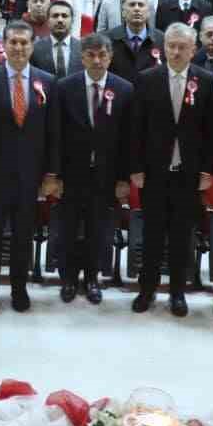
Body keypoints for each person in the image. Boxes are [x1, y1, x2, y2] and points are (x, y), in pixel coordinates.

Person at [0, 20, 61, 314]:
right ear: (3, 46)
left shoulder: (47, 81)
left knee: (23, 235)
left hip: (31, 175)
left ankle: (19, 289)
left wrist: (51, 174)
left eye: (24, 43)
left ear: (32, 46)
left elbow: (53, 133)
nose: (18, 48)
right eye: (13, 42)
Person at [54, 33, 132, 307]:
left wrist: (123, 178)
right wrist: (55, 174)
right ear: (82, 57)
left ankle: (92, 278)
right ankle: (69, 279)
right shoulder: (64, 87)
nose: (97, 60)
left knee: (98, 229)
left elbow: (128, 140)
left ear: (110, 57)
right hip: (71, 173)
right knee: (68, 227)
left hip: (106, 175)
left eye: (103, 55)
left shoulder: (124, 90)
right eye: (91, 55)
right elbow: (56, 134)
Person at [107, 0, 163, 83]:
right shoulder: (108, 39)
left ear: (148, 12)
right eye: (132, 5)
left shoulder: (161, 40)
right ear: (123, 12)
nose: (136, 8)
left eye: (141, 5)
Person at [30, 0, 81, 79]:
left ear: (72, 20)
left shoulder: (83, 48)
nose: (60, 20)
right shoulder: (35, 49)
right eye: (55, 16)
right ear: (47, 21)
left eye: (64, 16)